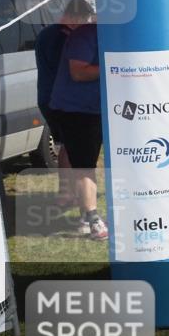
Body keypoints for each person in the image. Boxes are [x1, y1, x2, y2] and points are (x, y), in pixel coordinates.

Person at [48, 19, 107, 240]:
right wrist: (115, 65)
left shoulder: (113, 34)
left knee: (86, 161)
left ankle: (85, 215)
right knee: (84, 164)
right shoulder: (85, 35)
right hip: (74, 110)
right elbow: (78, 72)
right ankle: (92, 219)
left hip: (96, 109)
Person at [34, 0, 94, 205]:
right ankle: (69, 193)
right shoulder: (63, 37)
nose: (85, 25)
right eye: (84, 20)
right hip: (60, 100)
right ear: (74, 17)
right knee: (72, 148)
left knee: (66, 145)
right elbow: (74, 68)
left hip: (47, 97)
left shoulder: (46, 33)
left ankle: (66, 193)